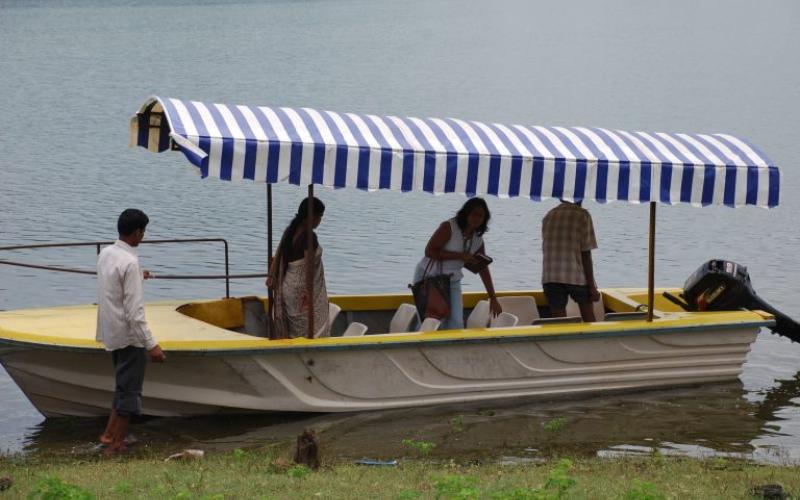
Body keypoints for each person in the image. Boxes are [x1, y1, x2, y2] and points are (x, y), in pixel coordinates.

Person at [96, 209, 165, 454]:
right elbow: (135, 313)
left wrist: (138, 277)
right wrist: (152, 345)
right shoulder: (130, 262)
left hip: (111, 332)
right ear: (137, 232)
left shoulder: (106, 254)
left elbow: (113, 288)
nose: (143, 236)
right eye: (143, 231)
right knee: (130, 393)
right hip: (130, 338)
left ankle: (108, 434)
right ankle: (116, 444)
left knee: (121, 386)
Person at [413, 198, 502, 330]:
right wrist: (460, 256)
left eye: (481, 216)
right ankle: (419, 345)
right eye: (474, 214)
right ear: (466, 213)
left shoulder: (478, 239)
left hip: (452, 280)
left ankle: (448, 349)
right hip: (429, 277)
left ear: (485, 219)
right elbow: (429, 251)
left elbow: (482, 268)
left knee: (456, 323)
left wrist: (493, 298)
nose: (477, 218)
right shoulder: (449, 227)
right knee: (429, 321)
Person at [267, 197, 329, 339]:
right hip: (301, 292)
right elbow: (309, 267)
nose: (320, 221)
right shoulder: (309, 237)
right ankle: (311, 351)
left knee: (296, 329)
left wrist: (271, 276)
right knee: (311, 329)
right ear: (312, 216)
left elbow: (278, 256)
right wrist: (308, 292)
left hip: (289, 287)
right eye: (319, 217)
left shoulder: (290, 231)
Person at [541, 200, 600, 322]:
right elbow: (586, 253)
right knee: (590, 320)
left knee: (559, 323)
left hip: (550, 276)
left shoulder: (549, 215)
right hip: (575, 275)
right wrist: (592, 287)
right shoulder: (583, 215)